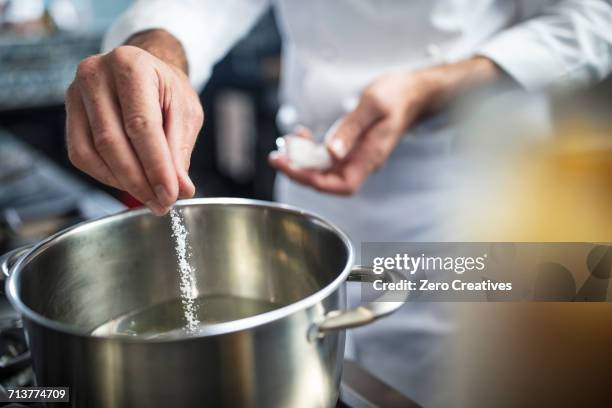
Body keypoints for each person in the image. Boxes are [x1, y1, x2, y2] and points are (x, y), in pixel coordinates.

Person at [64, 1, 612, 405]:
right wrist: (155, 52)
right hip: (315, 210)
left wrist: (436, 86)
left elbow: (595, 19)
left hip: (481, 204)